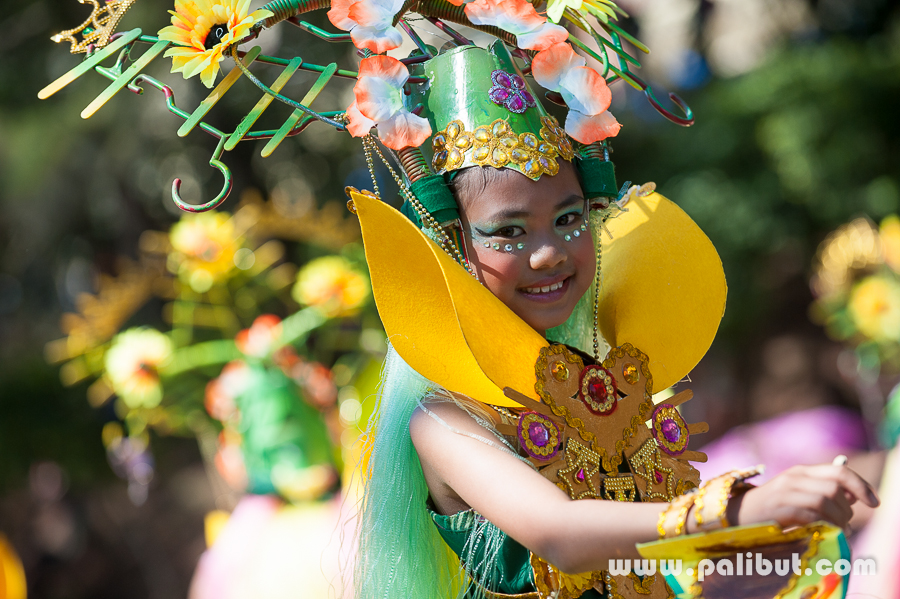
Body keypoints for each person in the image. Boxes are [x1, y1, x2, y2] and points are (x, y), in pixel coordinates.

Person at [345, 41, 881, 599]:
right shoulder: (443, 417)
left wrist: (773, 533)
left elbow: (655, 557)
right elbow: (559, 534)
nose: (549, 253)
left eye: (568, 218)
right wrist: (744, 509)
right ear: (454, 244)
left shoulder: (602, 382)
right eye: (508, 232)